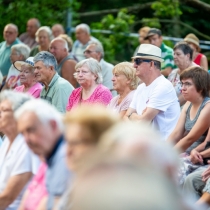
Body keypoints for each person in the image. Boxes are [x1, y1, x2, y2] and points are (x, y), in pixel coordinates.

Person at [57, 104, 120, 209]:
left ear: (102, 144)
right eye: (67, 143)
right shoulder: (80, 181)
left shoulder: (110, 196)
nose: (68, 151)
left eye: (76, 143)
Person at [15, 99, 72, 210]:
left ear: (53, 125)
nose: (26, 140)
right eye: (22, 134)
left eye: (31, 130)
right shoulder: (51, 155)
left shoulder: (67, 157)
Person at [125, 44, 180, 141]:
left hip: (162, 148)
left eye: (138, 61)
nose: (134, 65)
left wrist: (132, 116)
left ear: (151, 64)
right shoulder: (141, 87)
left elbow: (142, 122)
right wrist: (136, 117)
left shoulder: (163, 86)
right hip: (145, 144)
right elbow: (125, 118)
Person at [0, 91, 39, 210]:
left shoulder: (26, 145)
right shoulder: (7, 140)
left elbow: (8, 197)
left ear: (19, 115)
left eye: (4, 110)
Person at [168, 66, 210, 154]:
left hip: (198, 156)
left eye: (188, 84)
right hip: (185, 152)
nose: (182, 88)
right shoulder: (188, 103)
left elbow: (190, 139)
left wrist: (168, 156)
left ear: (201, 87)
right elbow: (176, 134)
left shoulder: (207, 106)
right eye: (182, 84)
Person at [168, 41, 197, 106]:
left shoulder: (196, 72)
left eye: (178, 54)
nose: (174, 57)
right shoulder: (174, 72)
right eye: (174, 54)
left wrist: (170, 107)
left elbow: (187, 95)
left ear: (187, 56)